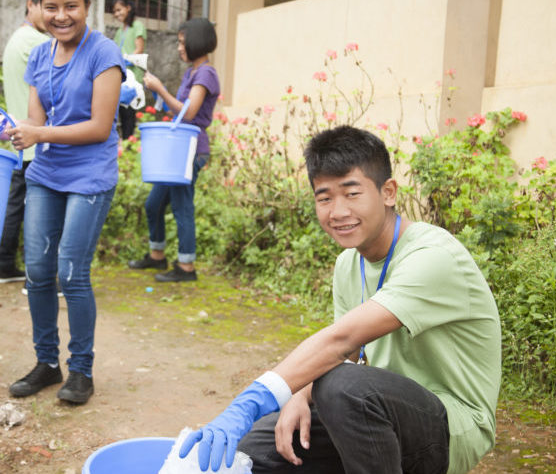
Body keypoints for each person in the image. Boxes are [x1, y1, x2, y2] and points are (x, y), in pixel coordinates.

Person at [179, 126, 501, 473]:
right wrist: (298, 396)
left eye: (352, 193)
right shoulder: (349, 263)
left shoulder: (433, 256)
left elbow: (340, 341)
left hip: (450, 429)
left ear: (388, 192)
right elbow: (347, 353)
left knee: (340, 387)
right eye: (325, 197)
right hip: (377, 417)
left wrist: (249, 402)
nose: (338, 211)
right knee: (257, 446)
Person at [4, 0, 124, 405]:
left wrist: (39, 132)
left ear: (86, 7)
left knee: (71, 272)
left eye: (70, 6)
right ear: (38, 7)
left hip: (90, 174)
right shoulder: (38, 55)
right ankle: (46, 364)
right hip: (47, 173)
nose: (61, 16)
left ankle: (81, 371)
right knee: (37, 270)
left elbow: (98, 127)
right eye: (51, 7)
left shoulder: (105, 53)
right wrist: (19, 133)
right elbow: (36, 121)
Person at [128, 18, 220, 282]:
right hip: (179, 148)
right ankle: (157, 257)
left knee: (182, 207)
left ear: (196, 42)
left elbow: (189, 113)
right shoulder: (192, 72)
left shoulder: (205, 74)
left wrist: (161, 89)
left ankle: (186, 267)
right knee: (154, 204)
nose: (179, 48)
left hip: (191, 149)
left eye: (182, 42)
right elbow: (177, 109)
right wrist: (159, 95)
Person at [0, 0, 51, 286]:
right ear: (31, 4)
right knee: (37, 212)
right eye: (48, 7)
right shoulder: (35, 43)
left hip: (19, 140)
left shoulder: (18, 38)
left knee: (16, 207)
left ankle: (2, 266)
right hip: (34, 140)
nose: (54, 17)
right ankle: (33, 277)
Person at [111, 0, 146, 139]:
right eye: (114, 11)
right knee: (121, 113)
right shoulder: (120, 31)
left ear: (128, 8)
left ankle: (129, 145)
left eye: (119, 10)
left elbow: (139, 49)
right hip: (121, 77)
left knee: (129, 115)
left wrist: (126, 59)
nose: (117, 14)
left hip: (133, 78)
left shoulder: (137, 25)